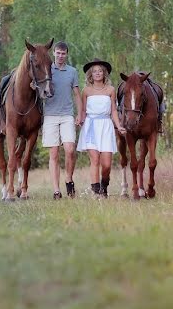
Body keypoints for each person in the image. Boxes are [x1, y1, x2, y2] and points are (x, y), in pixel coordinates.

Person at [76, 59, 127, 198]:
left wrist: (119, 126)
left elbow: (114, 111)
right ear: (90, 75)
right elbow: (83, 110)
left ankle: (104, 185)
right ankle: (96, 192)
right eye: (94, 71)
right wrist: (80, 118)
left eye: (100, 71)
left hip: (106, 126)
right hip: (91, 126)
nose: (97, 73)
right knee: (95, 160)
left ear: (104, 73)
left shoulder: (110, 90)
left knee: (106, 165)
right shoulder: (86, 90)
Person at [42, 41, 83, 199]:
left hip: (67, 115)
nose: (60, 56)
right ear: (53, 53)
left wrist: (80, 114)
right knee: (54, 154)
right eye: (58, 53)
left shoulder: (72, 71)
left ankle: (68, 179)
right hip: (50, 115)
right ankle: (56, 190)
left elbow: (77, 94)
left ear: (67, 55)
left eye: (63, 53)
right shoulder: (47, 68)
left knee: (70, 149)